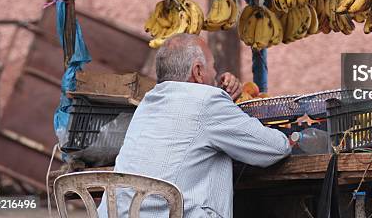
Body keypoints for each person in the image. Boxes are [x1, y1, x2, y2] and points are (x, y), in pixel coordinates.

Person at [97, 34, 291, 218]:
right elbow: (275, 148)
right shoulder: (208, 102)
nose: (216, 73)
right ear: (198, 71)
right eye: (213, 67)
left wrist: (224, 105)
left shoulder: (148, 103)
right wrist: (222, 103)